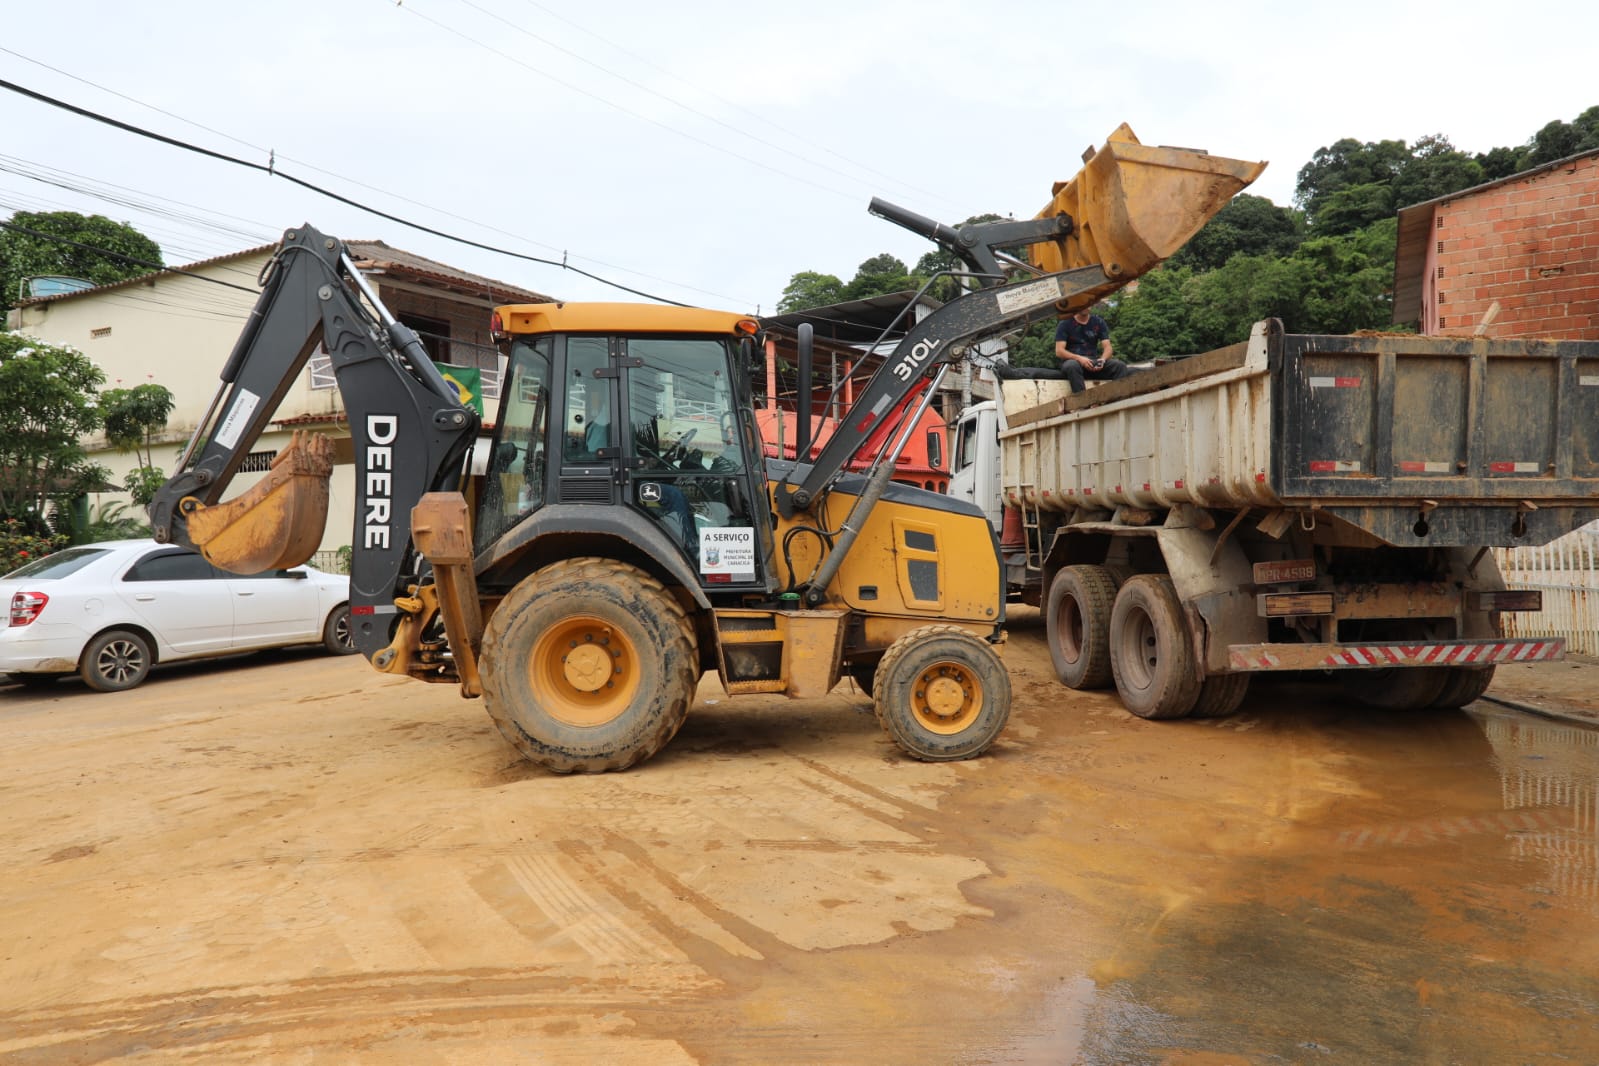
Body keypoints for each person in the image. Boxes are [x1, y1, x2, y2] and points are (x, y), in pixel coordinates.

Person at [1054, 308, 1132, 393]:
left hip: (1092, 361)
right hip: (1073, 361)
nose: (1086, 307)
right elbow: (1059, 351)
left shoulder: (1098, 322)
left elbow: (1108, 347)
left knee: (1119, 366)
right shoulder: (1065, 323)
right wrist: (1080, 359)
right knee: (1072, 365)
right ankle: (1082, 401)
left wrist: (1103, 360)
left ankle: (1118, 399)